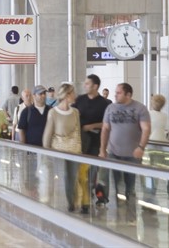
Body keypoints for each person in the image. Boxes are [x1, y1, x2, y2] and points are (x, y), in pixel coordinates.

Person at [100, 83, 150, 224]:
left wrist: (141, 147)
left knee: (131, 187)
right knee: (116, 185)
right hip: (114, 153)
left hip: (132, 155)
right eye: (115, 92)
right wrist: (102, 149)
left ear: (128, 95)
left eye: (119, 93)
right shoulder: (110, 108)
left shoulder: (140, 108)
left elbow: (146, 129)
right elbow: (105, 129)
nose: (115, 95)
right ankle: (119, 213)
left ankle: (131, 216)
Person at [73, 74, 111, 212]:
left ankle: (96, 198)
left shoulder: (105, 104)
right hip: (81, 142)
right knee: (82, 173)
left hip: (97, 143)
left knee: (93, 173)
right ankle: (84, 200)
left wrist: (92, 126)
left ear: (95, 86)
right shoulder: (79, 100)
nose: (85, 85)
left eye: (88, 83)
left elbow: (107, 124)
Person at [42, 84, 81, 212]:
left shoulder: (75, 112)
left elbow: (78, 133)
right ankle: (62, 205)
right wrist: (46, 152)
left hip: (74, 150)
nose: (75, 95)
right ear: (67, 95)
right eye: (72, 93)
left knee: (73, 178)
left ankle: (72, 203)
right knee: (62, 177)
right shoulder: (53, 113)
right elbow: (48, 134)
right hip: (58, 151)